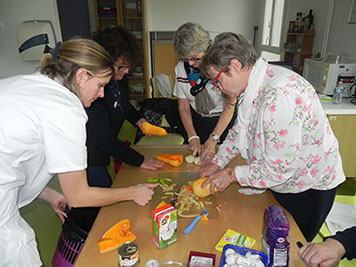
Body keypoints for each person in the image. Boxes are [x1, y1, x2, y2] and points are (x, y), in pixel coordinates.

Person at [0, 38, 158, 266]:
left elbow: (12, 157)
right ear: (82, 76)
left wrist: (47, 193)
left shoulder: (33, 83)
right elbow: (79, 196)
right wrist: (132, 192)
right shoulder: (66, 108)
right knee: (20, 250)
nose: (102, 94)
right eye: (101, 85)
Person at [199, 32, 345, 242]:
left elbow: (279, 169)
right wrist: (218, 162)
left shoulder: (280, 94)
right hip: (284, 180)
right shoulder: (253, 85)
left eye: (217, 80)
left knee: (289, 245)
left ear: (235, 65)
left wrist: (231, 175)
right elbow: (240, 130)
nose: (218, 87)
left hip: (308, 186)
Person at [68, 26, 164, 233]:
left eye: (128, 67)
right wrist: (139, 160)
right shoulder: (93, 89)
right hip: (89, 155)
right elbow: (103, 138)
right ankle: (88, 236)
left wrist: (139, 120)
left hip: (104, 149)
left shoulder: (118, 79)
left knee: (107, 190)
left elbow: (124, 105)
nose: (126, 72)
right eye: (121, 67)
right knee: (98, 201)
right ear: (105, 62)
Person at [173, 22, 237, 164]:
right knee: (197, 163)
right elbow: (183, 107)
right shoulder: (180, 69)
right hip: (197, 121)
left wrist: (213, 139)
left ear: (207, 50)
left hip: (223, 122)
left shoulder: (220, 67)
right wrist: (192, 136)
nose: (190, 63)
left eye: (195, 58)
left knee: (224, 164)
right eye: (185, 58)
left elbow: (229, 106)